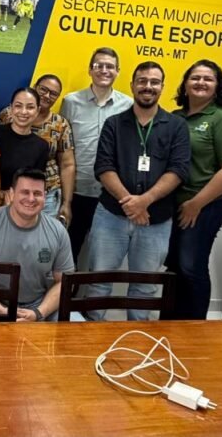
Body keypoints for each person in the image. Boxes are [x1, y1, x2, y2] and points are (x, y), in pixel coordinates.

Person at [86, 61, 191, 321]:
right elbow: (104, 167)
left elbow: (178, 170)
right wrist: (130, 203)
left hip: (156, 220)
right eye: (142, 81)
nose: (148, 86)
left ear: (162, 87)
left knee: (145, 286)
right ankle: (89, 337)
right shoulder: (114, 124)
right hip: (111, 215)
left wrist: (144, 201)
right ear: (132, 85)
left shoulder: (177, 126)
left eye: (154, 82)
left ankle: (138, 338)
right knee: (98, 281)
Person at [163, 60, 222, 320]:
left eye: (208, 79)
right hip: (174, 203)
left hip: (205, 205)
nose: (200, 82)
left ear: (218, 86)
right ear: (185, 84)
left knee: (191, 266)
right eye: (195, 77)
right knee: (173, 266)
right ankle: (170, 322)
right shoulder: (175, 117)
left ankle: (196, 326)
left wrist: (196, 204)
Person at [0, 169, 74, 321]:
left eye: (37, 193)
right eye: (25, 192)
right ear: (12, 194)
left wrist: (39, 313)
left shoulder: (58, 230)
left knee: (77, 325)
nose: (31, 199)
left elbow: (65, 282)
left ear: (45, 197)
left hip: (40, 304)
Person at [59, 47, 133, 263]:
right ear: (90, 70)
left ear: (118, 71)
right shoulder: (71, 102)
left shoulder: (128, 105)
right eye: (98, 65)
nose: (104, 70)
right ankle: (64, 287)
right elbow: (62, 147)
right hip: (76, 190)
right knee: (68, 255)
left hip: (110, 194)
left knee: (103, 257)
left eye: (110, 66)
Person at [0, 74, 75, 222]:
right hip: (5, 191)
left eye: (53, 94)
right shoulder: (8, 114)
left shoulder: (60, 125)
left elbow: (67, 165)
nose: (47, 96)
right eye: (43, 89)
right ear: (35, 87)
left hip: (46, 192)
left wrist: (66, 203)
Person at [0, 88, 48, 198]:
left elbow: (34, 183)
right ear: (11, 108)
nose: (23, 112)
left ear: (38, 110)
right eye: (18, 106)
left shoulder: (41, 146)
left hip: (17, 202)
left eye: (30, 107)